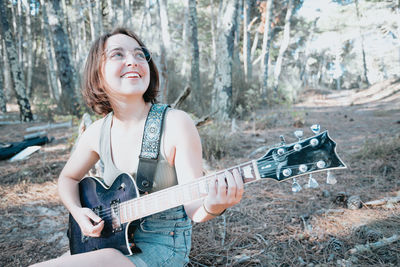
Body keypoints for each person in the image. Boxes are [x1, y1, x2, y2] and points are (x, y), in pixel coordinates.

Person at [31, 27, 243, 267]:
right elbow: (67, 178)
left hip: (162, 249)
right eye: (118, 55)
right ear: (98, 74)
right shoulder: (97, 132)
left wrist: (214, 206)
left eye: (140, 54)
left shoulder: (175, 123)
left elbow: (195, 207)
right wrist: (78, 213)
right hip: (108, 243)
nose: (132, 61)